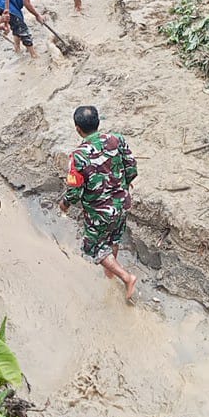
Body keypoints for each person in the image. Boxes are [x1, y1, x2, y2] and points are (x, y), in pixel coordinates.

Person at [59, 105, 138, 300]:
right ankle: (110, 273)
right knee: (114, 238)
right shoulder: (117, 139)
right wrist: (124, 185)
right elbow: (132, 167)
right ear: (98, 122)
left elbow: (75, 192)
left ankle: (126, 277)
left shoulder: (78, 157)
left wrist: (65, 204)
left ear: (78, 129)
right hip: (122, 204)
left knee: (92, 247)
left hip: (99, 213)